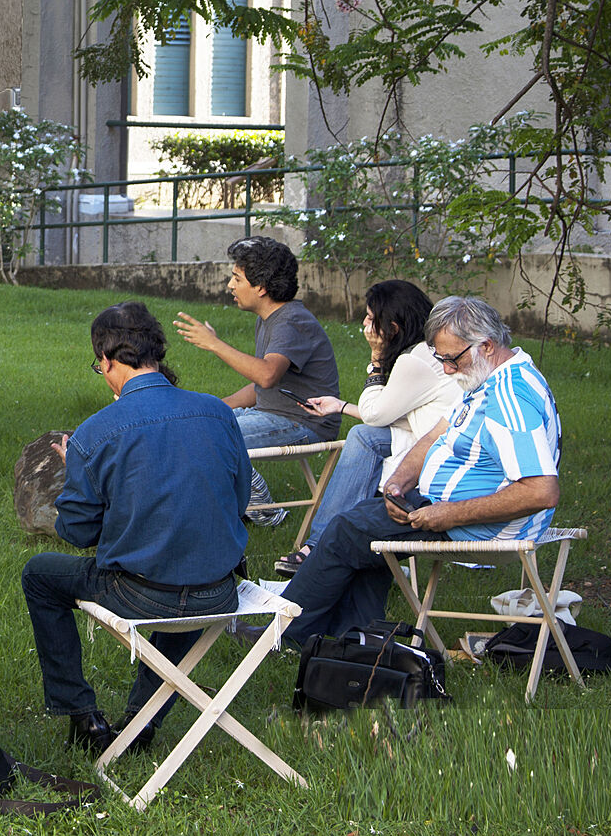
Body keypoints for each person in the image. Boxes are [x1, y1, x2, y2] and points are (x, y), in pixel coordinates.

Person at [23, 301, 251, 757]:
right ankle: (141, 724)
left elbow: (79, 531)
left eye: (98, 365)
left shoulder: (95, 432)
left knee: (40, 575)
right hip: (220, 590)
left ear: (107, 360)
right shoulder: (217, 412)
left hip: (143, 593)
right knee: (178, 566)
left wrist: (77, 474)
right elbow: (241, 497)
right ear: (156, 352)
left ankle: (81, 715)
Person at [281, 295, 562, 644]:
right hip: (446, 507)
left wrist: (450, 514)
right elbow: (434, 435)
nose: (446, 369)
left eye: (451, 358)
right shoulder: (483, 379)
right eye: (441, 358)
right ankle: (353, 642)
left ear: (487, 346)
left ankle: (285, 633)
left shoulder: (509, 396)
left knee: (346, 532)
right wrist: (397, 483)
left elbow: (541, 491)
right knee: (366, 531)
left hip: (487, 528)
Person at [276, 279, 458, 576]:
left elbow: (376, 414)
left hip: (440, 455)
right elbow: (397, 413)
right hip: (432, 440)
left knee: (363, 436)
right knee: (366, 437)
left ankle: (321, 546)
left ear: (393, 328)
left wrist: (376, 360)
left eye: (371, 318)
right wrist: (341, 406)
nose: (364, 323)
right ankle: (332, 547)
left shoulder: (415, 361)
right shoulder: (426, 352)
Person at [172, 235, 340, 522]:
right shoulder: (270, 319)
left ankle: (266, 514)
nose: (230, 285)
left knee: (207, 438)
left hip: (305, 423)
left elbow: (266, 375)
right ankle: (220, 510)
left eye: (237, 278)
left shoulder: (291, 320)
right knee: (195, 425)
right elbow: (261, 385)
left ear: (260, 287)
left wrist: (214, 344)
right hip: (273, 414)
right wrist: (217, 406)